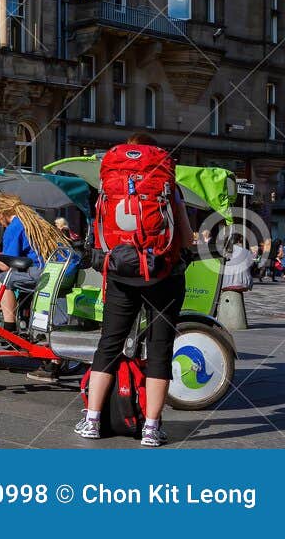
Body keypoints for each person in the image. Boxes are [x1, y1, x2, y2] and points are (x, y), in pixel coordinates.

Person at [76, 134, 195, 448]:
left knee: (109, 344)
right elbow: (185, 238)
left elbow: (101, 233)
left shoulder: (110, 181)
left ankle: (91, 419)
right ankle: (152, 427)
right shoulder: (168, 187)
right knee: (159, 349)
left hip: (119, 273)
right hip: (164, 275)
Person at [0, 193, 71, 332]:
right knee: (17, 275)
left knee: (4, 279)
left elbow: (5, 266)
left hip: (46, 274)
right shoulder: (34, 219)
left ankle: (9, 328)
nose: (0, 223)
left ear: (2, 214)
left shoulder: (13, 227)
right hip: (64, 270)